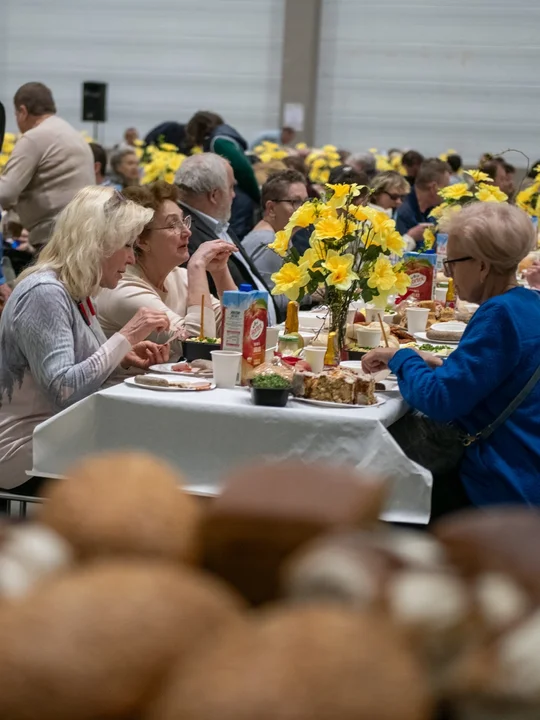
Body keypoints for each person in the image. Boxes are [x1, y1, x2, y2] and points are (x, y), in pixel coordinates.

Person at [362, 202, 540, 512]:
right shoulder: (529, 302)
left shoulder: (499, 314)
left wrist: (403, 358)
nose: (449, 273)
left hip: (498, 481)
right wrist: (441, 363)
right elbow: (504, 374)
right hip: (526, 463)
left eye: (452, 263)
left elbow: (439, 399)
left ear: (482, 266)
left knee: (375, 487)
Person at [0, 186, 171, 492]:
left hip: (58, 438)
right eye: (128, 245)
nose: (132, 258)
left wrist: (122, 356)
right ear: (99, 244)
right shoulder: (45, 292)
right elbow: (65, 391)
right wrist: (125, 335)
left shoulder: (74, 290)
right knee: (156, 466)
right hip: (25, 452)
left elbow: (77, 370)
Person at [97, 181, 237, 357]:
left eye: (184, 222)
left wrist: (220, 272)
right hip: (126, 385)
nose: (187, 232)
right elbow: (197, 346)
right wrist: (197, 266)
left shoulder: (180, 276)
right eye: (173, 225)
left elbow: (240, 329)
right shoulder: (124, 289)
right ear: (141, 240)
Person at [175, 153, 279, 324]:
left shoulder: (217, 222)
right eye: (231, 188)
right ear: (214, 195)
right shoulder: (186, 233)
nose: (234, 195)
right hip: (228, 333)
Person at [0, 82, 95, 250]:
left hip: (54, 238)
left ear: (22, 112)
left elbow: (5, 193)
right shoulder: (73, 134)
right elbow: (51, 182)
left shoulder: (34, 137)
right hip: (85, 233)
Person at [243, 170, 308, 314]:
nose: (304, 209)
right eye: (295, 202)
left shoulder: (278, 235)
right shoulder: (269, 242)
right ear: (271, 208)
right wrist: (311, 293)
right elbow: (266, 300)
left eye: (305, 201)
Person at [185, 111, 260, 204]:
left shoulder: (218, 142)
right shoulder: (224, 136)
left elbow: (243, 170)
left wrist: (257, 197)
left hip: (239, 197)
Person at [396, 159, 450, 248]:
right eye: (445, 187)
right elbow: (396, 255)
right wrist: (411, 237)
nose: (448, 192)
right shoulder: (402, 210)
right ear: (433, 187)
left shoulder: (434, 209)